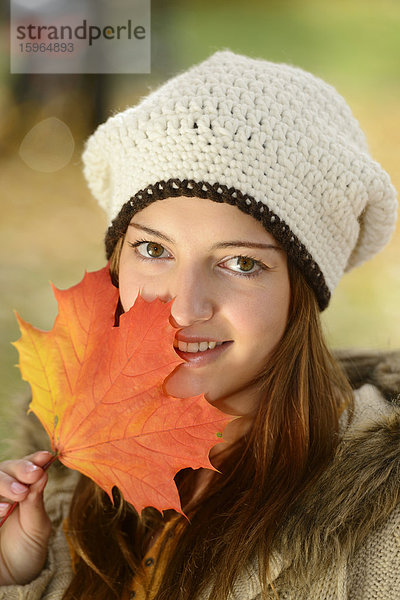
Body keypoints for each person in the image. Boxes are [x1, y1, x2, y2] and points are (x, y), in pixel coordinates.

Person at [0, 50, 399, 600]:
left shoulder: (383, 521)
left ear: (300, 295)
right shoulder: (64, 482)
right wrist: (22, 579)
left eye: (241, 263)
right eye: (153, 249)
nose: (185, 307)